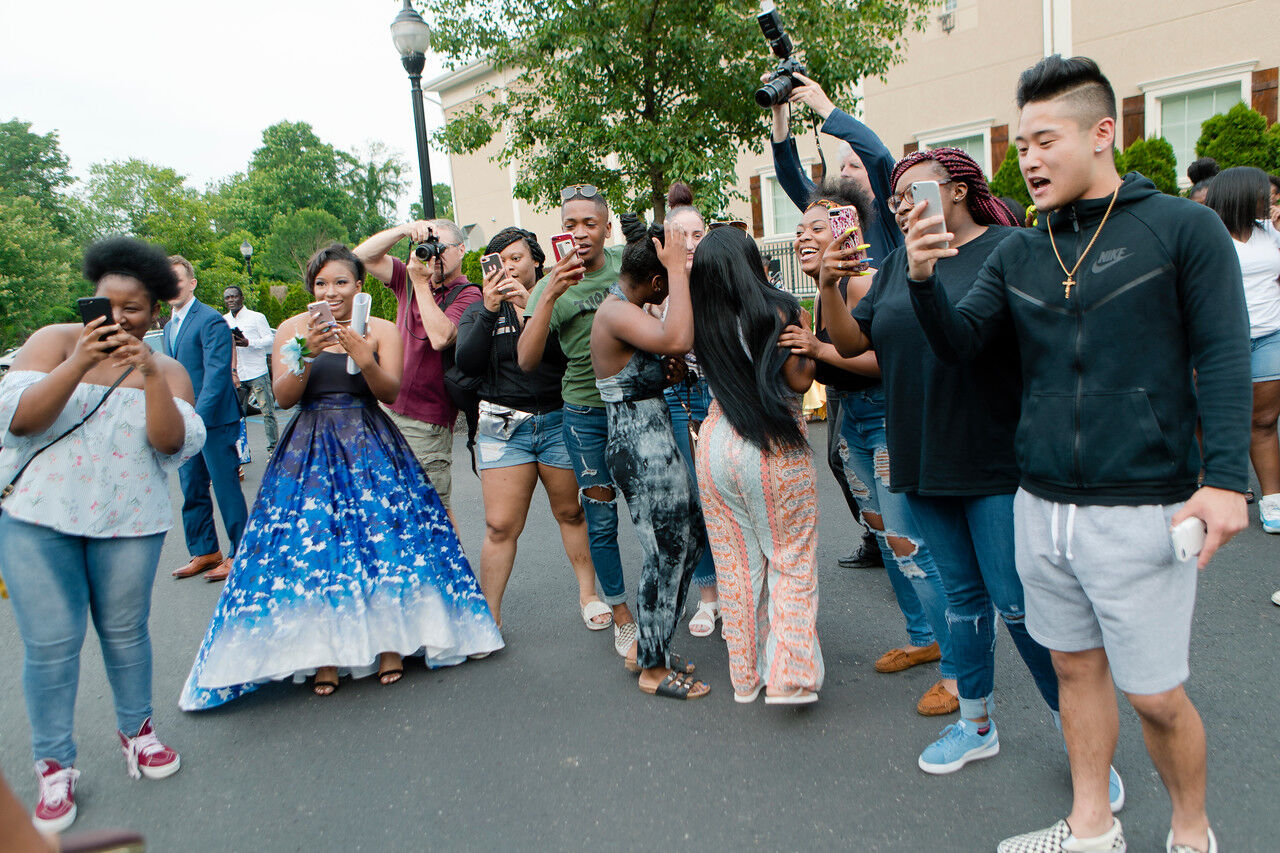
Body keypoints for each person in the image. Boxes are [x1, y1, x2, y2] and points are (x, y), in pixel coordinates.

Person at [906, 55, 1249, 853]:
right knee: (1073, 671)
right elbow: (960, 345)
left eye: (1044, 140)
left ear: (1103, 133)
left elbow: (1225, 353)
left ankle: (1192, 832)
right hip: (1039, 500)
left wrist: (1228, 478)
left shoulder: (1181, 228)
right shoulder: (1018, 251)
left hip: (1144, 504)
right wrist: (923, 281)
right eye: (1020, 143)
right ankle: (1092, 825)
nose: (1027, 158)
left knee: (1156, 695)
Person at [818, 150, 1104, 788]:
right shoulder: (897, 264)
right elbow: (852, 343)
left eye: (912, 192)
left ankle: (1082, 737)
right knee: (963, 602)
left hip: (995, 457)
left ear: (956, 190)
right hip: (922, 457)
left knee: (1017, 604)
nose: (900, 205)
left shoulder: (1009, 248)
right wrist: (829, 287)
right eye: (894, 198)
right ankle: (976, 723)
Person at [181, 244, 502, 708]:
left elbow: (389, 391)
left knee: (383, 544)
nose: (330, 292)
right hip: (309, 445)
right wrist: (305, 354)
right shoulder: (292, 329)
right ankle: (324, 655)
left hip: (369, 439)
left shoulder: (382, 328)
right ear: (311, 288)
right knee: (316, 550)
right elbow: (284, 398)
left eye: (341, 282)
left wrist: (365, 357)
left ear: (359, 285)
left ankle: (391, 644)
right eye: (321, 283)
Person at [0, 237, 206, 833]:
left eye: (132, 309)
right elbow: (21, 421)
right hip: (38, 520)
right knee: (51, 644)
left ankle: (138, 732)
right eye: (104, 305)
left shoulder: (168, 369)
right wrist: (78, 363)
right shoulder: (52, 342)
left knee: (125, 631)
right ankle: (54, 764)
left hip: (129, 520)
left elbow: (170, 444)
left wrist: (151, 373)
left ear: (156, 312)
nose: (116, 318)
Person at [781, 178, 959, 717]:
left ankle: (958, 670)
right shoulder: (828, 289)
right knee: (884, 535)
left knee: (907, 541)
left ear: (847, 230)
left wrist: (817, 349)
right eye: (800, 229)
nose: (803, 237)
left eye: (817, 228)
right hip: (852, 422)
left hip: (885, 420)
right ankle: (922, 637)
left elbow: (883, 361)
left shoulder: (866, 283)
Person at [767, 70, 902, 570]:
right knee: (844, 465)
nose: (844, 171)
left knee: (905, 521)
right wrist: (781, 117)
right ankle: (877, 536)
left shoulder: (884, 225)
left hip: (885, 394)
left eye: (853, 164)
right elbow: (794, 182)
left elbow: (880, 156)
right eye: (839, 165)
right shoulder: (826, 243)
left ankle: (894, 545)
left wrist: (825, 109)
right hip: (847, 394)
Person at [690, 226, 822, 704]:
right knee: (790, 558)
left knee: (737, 568)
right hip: (771, 441)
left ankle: (746, 678)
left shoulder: (698, 320)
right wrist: (810, 341)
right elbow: (800, 382)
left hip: (715, 441)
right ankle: (790, 677)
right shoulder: (781, 310)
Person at [453, 227, 608, 631]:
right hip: (503, 426)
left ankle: (589, 595)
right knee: (500, 525)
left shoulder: (558, 299)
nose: (507, 267)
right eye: (499, 261)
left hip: (557, 419)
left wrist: (535, 308)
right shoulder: (478, 309)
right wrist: (490, 310)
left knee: (570, 512)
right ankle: (489, 615)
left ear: (537, 262)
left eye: (516, 258)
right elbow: (466, 363)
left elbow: (569, 356)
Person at [589, 218, 708, 699]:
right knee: (665, 554)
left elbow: (649, 368)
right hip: (640, 450)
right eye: (670, 281)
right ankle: (652, 670)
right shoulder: (615, 312)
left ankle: (649, 645)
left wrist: (665, 374)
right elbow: (678, 339)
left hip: (654, 442)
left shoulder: (630, 310)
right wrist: (678, 269)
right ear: (657, 280)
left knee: (690, 540)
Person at [518, 185, 638, 657]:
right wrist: (551, 293)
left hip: (635, 406)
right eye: (571, 225)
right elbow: (526, 360)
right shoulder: (549, 287)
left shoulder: (625, 265)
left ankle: (676, 598)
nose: (580, 233)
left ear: (607, 228)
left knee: (657, 511)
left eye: (590, 223)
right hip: (585, 415)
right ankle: (622, 615)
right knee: (601, 519)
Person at [353, 219, 481, 523]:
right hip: (388, 410)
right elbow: (360, 258)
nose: (435, 256)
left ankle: (449, 558)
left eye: (442, 248)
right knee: (391, 504)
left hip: (428, 422)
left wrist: (421, 284)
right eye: (430, 246)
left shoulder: (469, 295)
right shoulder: (409, 279)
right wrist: (403, 230)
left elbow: (440, 337)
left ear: (462, 250)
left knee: (434, 513)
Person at [651, 183, 721, 636]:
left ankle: (741, 589)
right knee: (696, 499)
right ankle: (709, 596)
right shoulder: (658, 289)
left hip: (725, 396)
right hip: (682, 399)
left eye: (698, 235)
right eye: (681, 236)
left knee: (729, 495)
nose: (691, 244)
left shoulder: (724, 279)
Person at [1205, 166, 1280, 533]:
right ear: (1242, 194)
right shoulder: (1207, 232)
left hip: (1269, 335)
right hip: (1220, 339)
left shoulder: (1270, 232)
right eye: (1265, 192)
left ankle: (1273, 501)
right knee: (1211, 417)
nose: (1272, 198)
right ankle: (1218, 488)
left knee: (1262, 422)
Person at [166, 255, 248, 581]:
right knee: (192, 487)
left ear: (192, 283)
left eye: (177, 280)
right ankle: (205, 551)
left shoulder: (210, 319)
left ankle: (240, 553)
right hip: (185, 421)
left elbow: (216, 375)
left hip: (213, 420)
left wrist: (197, 419)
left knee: (225, 487)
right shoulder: (169, 325)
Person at [222, 284, 278, 456]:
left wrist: (249, 343)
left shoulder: (256, 317)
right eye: (227, 297)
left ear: (242, 298)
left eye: (234, 296)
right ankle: (241, 452)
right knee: (237, 415)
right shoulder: (223, 320)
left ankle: (273, 449)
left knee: (267, 412)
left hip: (257, 372)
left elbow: (269, 339)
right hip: (237, 374)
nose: (231, 300)